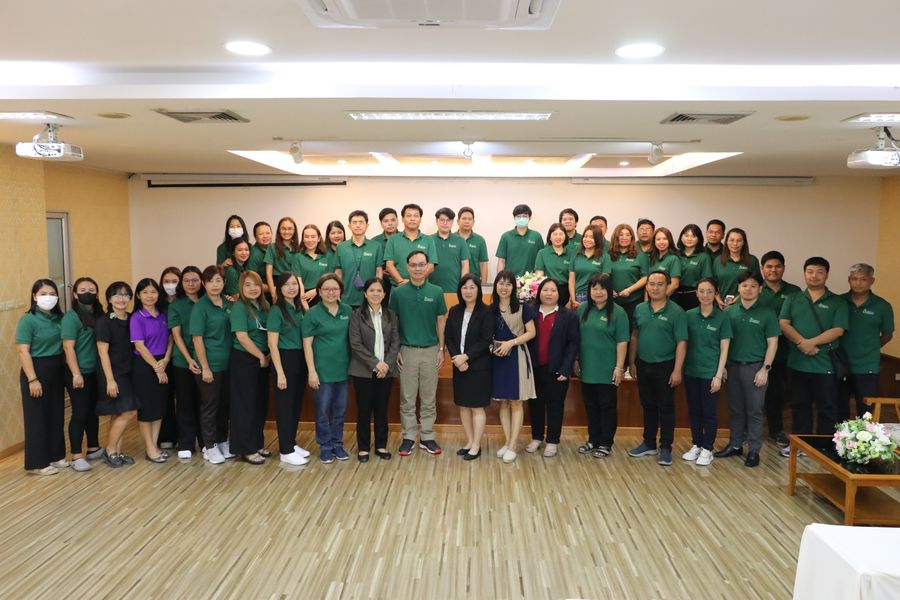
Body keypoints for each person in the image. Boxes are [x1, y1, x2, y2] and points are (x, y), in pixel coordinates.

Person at [779, 257, 849, 454]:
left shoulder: (837, 301)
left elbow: (838, 330)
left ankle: (825, 447)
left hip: (825, 365)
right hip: (797, 364)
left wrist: (811, 343)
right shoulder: (793, 298)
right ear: (804, 273)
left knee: (827, 408)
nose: (814, 276)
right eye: (810, 271)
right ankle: (801, 445)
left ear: (826, 274)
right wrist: (801, 342)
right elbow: (784, 323)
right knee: (799, 406)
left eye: (819, 272)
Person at [715, 272, 778, 467]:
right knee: (735, 409)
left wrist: (765, 369)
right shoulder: (729, 312)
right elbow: (723, 342)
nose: (748, 289)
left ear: (760, 289)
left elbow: (773, 343)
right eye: (744, 285)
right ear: (738, 288)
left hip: (755, 368)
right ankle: (735, 445)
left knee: (754, 411)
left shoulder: (767, 313)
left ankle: (754, 450)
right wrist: (724, 366)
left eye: (752, 286)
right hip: (733, 367)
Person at [389, 250, 448, 456]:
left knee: (429, 398)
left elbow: (441, 320)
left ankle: (427, 437)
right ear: (407, 267)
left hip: (431, 351)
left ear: (428, 266)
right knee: (407, 398)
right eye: (413, 265)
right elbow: (393, 323)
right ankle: (408, 437)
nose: (417, 268)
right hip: (407, 351)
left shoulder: (437, 291)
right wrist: (396, 349)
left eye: (421, 264)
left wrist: (441, 349)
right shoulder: (398, 293)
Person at [627, 270, 688, 467]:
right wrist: (632, 362)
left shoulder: (677, 312)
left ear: (668, 286)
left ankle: (666, 447)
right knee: (648, 405)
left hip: (666, 366)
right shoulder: (640, 309)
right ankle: (649, 443)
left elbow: (681, 342)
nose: (655, 288)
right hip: (643, 364)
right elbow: (634, 335)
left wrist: (677, 370)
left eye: (660, 284)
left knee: (666, 407)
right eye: (651, 284)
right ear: (646, 286)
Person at [16, 279, 67, 475]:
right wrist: (32, 379)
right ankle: (37, 463)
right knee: (37, 417)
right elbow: (23, 351)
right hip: (36, 369)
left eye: (52, 294)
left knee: (56, 414)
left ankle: (55, 456)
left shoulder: (59, 318)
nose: (48, 297)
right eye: (43, 294)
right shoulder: (28, 319)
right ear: (34, 296)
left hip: (56, 367)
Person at [577, 273, 629, 458]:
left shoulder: (618, 312)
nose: (598, 292)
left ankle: (606, 443)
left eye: (602, 288)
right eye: (594, 288)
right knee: (590, 406)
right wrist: (576, 361)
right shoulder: (582, 309)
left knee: (607, 407)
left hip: (608, 369)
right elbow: (576, 338)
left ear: (609, 290)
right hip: (587, 367)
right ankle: (593, 439)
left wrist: (619, 367)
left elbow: (622, 341)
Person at [303, 273, 353, 463]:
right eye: (326, 289)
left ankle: (337, 444)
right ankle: (325, 446)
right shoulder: (312, 314)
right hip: (322, 372)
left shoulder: (348, 310)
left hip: (344, 371)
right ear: (319, 291)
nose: (331, 292)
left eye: (335, 289)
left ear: (340, 290)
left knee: (340, 412)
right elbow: (307, 345)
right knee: (323, 412)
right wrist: (312, 371)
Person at [681, 278, 732, 467]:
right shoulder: (688, 315)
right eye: (701, 291)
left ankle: (707, 448)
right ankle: (696, 444)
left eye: (710, 291)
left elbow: (725, 348)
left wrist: (718, 375)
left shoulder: (722, 317)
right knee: (694, 410)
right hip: (691, 370)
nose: (705, 295)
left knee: (709, 412)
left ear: (715, 294)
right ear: (696, 293)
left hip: (710, 372)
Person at [526, 279, 579, 458]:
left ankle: (552, 440)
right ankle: (537, 437)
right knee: (535, 405)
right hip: (534, 368)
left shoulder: (568, 316)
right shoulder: (530, 312)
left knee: (555, 406)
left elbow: (573, 344)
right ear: (539, 292)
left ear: (559, 294)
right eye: (545, 290)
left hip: (557, 370)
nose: (549, 293)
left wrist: (566, 368)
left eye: (553, 290)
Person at [348, 278, 399, 462]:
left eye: (379, 291)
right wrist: (376, 363)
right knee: (364, 410)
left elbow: (395, 342)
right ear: (365, 293)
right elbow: (355, 344)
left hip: (386, 371)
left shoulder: (391, 315)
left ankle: (381, 445)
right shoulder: (356, 315)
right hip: (363, 371)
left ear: (384, 294)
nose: (375, 294)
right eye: (372, 290)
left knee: (381, 409)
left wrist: (386, 364)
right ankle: (363, 448)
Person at [490, 270, 537, 463]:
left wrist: (511, 342)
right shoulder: (491, 309)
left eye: (508, 284)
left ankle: (512, 445)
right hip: (498, 358)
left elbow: (531, 332)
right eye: (501, 283)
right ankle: (509, 441)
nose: (504, 287)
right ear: (495, 286)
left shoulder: (523, 308)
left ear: (513, 287)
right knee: (503, 402)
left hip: (517, 357)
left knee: (516, 402)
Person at [445, 274, 493, 460]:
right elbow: (449, 337)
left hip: (479, 366)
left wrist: (466, 357)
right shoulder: (454, 310)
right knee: (463, 406)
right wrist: (457, 359)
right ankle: (470, 441)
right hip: (459, 366)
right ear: (460, 290)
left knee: (477, 407)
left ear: (478, 290)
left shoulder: (486, 311)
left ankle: (477, 445)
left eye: (472, 287)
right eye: (465, 287)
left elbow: (486, 339)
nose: (468, 291)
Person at [190, 266, 233, 464]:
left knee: (224, 405)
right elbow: (197, 339)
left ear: (224, 282)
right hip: (210, 365)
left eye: (218, 280)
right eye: (210, 281)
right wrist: (205, 367)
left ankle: (223, 440)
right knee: (210, 406)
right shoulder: (200, 307)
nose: (215, 285)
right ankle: (210, 445)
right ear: (204, 284)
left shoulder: (229, 303)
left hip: (228, 363)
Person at [267, 273, 311, 466]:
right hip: (284, 359)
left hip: (300, 359)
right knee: (285, 406)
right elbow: (272, 344)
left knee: (295, 404)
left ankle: (291, 443)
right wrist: (280, 372)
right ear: (279, 288)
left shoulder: (299, 308)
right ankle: (285, 450)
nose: (291, 288)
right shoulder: (276, 310)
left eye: (294, 284)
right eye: (286, 285)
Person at [61, 277, 104, 471]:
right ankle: (76, 455)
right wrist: (76, 374)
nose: (88, 293)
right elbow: (68, 347)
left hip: (96, 371)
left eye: (92, 290)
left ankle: (94, 447)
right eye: (83, 290)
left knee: (93, 410)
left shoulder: (99, 314)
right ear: (76, 294)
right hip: (78, 372)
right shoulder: (71, 317)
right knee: (80, 412)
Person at [758, 250, 801, 446]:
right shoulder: (755, 288)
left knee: (779, 392)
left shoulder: (794, 291)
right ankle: (754, 430)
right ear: (762, 268)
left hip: (786, 350)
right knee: (759, 393)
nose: (773, 270)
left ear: (783, 268)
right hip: (759, 349)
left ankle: (778, 430)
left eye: (777, 266)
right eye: (769, 266)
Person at [840, 263, 894, 419]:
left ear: (872, 281)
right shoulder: (839, 301)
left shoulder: (882, 306)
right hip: (840, 364)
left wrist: (871, 347)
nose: (858, 283)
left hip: (867, 366)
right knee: (839, 408)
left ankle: (864, 435)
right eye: (854, 279)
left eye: (863, 279)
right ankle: (840, 435)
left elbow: (887, 334)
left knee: (866, 411)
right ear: (849, 280)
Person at [95, 281, 139, 468]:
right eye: (117, 295)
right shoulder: (104, 322)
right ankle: (110, 450)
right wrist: (110, 380)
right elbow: (102, 352)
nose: (121, 299)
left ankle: (117, 452)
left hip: (129, 371)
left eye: (125, 295)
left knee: (118, 412)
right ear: (109, 298)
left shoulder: (132, 318)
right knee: (129, 411)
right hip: (112, 373)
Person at [229, 271, 271, 464]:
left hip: (263, 359)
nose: (252, 288)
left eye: (255, 284)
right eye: (247, 285)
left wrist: (267, 355)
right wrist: (261, 356)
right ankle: (245, 448)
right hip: (246, 359)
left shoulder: (264, 306)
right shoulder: (239, 307)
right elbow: (242, 337)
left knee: (259, 404)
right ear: (241, 287)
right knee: (245, 405)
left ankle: (256, 443)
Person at [130, 278, 173, 463]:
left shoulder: (163, 315)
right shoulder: (137, 317)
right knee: (147, 410)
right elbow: (139, 346)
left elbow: (171, 339)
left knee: (159, 407)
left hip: (163, 362)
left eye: (153, 292)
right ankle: (149, 448)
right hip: (145, 366)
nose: (150, 296)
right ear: (138, 295)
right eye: (145, 292)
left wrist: (166, 360)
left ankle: (154, 446)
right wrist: (157, 368)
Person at [167, 266, 204, 459]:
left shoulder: (208, 301)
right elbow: (176, 335)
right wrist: (189, 359)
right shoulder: (176, 305)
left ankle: (206, 442)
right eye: (187, 280)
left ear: (201, 281)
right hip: (183, 362)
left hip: (206, 360)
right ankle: (186, 443)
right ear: (181, 283)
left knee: (205, 403)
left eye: (195, 279)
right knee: (185, 403)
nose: (191, 284)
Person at [335, 211, 384, 307]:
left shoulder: (376, 246)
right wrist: (336, 292)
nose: (358, 225)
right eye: (354, 222)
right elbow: (338, 272)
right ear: (349, 226)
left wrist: (378, 292)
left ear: (367, 225)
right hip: (346, 298)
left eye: (361, 222)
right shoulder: (341, 247)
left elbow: (378, 271)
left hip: (370, 298)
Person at [384, 203, 438, 286]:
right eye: (409, 216)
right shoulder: (393, 239)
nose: (412, 219)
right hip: (398, 287)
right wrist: (401, 282)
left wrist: (415, 282)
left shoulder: (429, 240)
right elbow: (389, 265)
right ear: (402, 219)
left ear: (420, 219)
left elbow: (431, 266)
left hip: (422, 287)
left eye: (416, 216)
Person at [157, 266, 181, 448]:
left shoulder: (184, 302)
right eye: (166, 281)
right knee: (164, 398)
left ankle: (183, 436)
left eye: (174, 281)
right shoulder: (157, 304)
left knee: (183, 399)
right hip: (160, 358)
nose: (170, 285)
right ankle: (166, 435)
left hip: (181, 356)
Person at [608, 224, 649, 327]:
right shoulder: (608, 255)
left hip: (634, 301)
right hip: (612, 301)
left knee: (632, 329)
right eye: (621, 235)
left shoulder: (640, 255)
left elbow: (645, 277)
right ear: (616, 237)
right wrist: (609, 289)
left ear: (632, 238)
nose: (624, 237)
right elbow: (604, 275)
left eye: (627, 235)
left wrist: (629, 290)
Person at [712, 227, 759, 306]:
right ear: (726, 242)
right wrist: (719, 300)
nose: (735, 243)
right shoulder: (718, 260)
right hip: (720, 305)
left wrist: (737, 299)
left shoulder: (752, 260)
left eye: (739, 240)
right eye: (732, 240)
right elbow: (712, 284)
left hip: (744, 304)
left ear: (744, 243)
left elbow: (757, 285)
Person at [568, 225, 610, 311]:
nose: (587, 239)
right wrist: (573, 299)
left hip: (596, 297)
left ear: (597, 239)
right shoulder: (576, 254)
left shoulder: (605, 257)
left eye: (591, 237)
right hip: (578, 297)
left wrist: (594, 298)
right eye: (585, 236)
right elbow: (571, 279)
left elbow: (604, 282)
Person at [495, 204, 544, 277]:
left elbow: (542, 261)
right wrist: (501, 280)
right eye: (518, 216)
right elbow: (501, 261)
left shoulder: (536, 236)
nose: (521, 219)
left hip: (531, 280)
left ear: (530, 217)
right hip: (510, 280)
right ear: (514, 217)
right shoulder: (506, 236)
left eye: (525, 216)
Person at [430, 207, 471, 293]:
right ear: (436, 221)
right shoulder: (429, 240)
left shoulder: (460, 240)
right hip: (431, 289)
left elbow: (465, 265)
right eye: (442, 220)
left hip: (454, 289)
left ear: (452, 222)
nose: (445, 223)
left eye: (448, 220)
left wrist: (463, 285)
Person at [534, 223, 573, 308]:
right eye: (555, 234)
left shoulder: (572, 253)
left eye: (561, 234)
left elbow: (573, 278)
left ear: (565, 237)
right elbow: (539, 276)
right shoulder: (542, 253)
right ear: (550, 237)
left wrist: (571, 298)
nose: (558, 237)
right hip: (548, 291)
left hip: (566, 291)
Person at [675, 224, 711, 311]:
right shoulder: (675, 254)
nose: (689, 239)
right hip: (674, 294)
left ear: (699, 239)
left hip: (694, 295)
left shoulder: (704, 257)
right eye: (686, 235)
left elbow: (707, 280)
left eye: (693, 236)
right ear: (681, 237)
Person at [265, 217, 301, 302]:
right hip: (278, 284)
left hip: (295, 284)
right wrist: (273, 293)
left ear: (294, 231)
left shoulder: (299, 248)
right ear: (279, 230)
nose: (286, 232)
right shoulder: (272, 247)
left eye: (290, 229)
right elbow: (268, 272)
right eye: (283, 228)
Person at [292, 224, 326, 307]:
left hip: (325, 295)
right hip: (304, 296)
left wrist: (316, 290)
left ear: (319, 238)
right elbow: (299, 282)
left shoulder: (327, 256)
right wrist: (304, 304)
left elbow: (330, 280)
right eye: (306, 237)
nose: (310, 240)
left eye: (313, 237)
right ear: (303, 239)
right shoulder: (297, 257)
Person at [371, 207, 398, 303]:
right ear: (381, 223)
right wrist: (381, 271)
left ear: (398, 221)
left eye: (393, 220)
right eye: (386, 221)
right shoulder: (374, 241)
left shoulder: (404, 238)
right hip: (382, 281)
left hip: (400, 280)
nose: (390, 223)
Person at [456, 206, 489, 283]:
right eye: (464, 218)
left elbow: (483, 264)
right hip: (454, 282)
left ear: (473, 222)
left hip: (474, 283)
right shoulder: (452, 239)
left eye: (470, 219)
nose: (467, 221)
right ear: (458, 221)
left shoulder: (480, 240)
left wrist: (484, 285)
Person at [647, 227, 681, 297]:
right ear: (654, 242)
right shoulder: (652, 258)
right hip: (652, 298)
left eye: (665, 239)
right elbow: (648, 282)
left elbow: (675, 284)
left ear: (669, 241)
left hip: (667, 298)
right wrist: (647, 300)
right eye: (658, 239)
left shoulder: (673, 259)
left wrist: (661, 299)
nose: (661, 242)